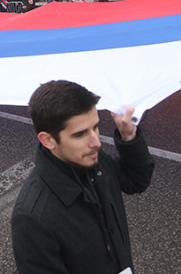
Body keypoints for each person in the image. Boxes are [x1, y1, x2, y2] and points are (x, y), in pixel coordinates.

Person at [11, 80, 154, 274]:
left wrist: (128, 137)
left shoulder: (93, 160)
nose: (96, 142)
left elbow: (136, 182)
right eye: (80, 134)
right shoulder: (32, 217)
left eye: (95, 127)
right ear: (48, 140)